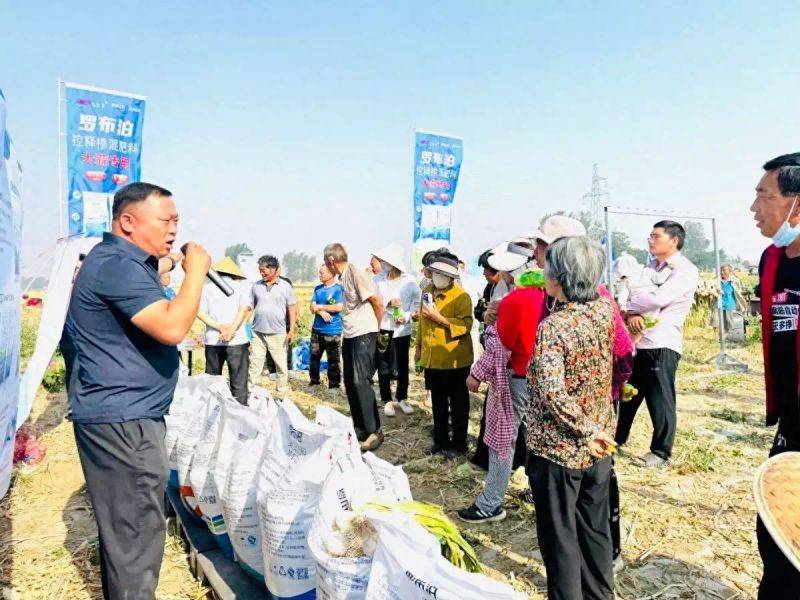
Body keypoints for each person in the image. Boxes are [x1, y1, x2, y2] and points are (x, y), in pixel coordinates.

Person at [64, 182, 211, 598]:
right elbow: (171, 326)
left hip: (123, 418)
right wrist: (196, 273)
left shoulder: (122, 262)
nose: (173, 230)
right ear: (127, 221)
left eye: (177, 221)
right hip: (125, 424)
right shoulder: (116, 264)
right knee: (135, 538)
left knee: (129, 537)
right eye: (165, 221)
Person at [526, 236, 618, 600]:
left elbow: (552, 392)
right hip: (598, 447)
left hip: (559, 450)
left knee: (560, 538)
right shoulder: (603, 311)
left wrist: (586, 429)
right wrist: (597, 430)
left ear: (558, 276)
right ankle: (600, 594)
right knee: (595, 530)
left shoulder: (555, 327)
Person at [458, 241, 545, 522]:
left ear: (509, 272)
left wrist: (477, 374)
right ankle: (539, 490)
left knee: (502, 441)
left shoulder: (514, 301)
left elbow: (499, 345)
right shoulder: (550, 297)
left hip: (515, 376)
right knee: (538, 437)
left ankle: (491, 502)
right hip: (544, 378)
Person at [750, 152, 800, 597]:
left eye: (764, 196)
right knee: (776, 529)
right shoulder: (771, 261)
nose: (754, 208)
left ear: (796, 205)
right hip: (792, 416)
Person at [614, 221, 699, 468]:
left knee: (660, 397)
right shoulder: (648, 267)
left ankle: (661, 452)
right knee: (627, 392)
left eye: (656, 236)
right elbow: (628, 294)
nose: (650, 240)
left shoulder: (684, 269)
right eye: (649, 236)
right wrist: (631, 313)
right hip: (638, 341)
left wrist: (630, 307)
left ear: (673, 241)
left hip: (662, 341)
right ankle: (617, 438)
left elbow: (659, 298)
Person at [324, 242, 385, 451]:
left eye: (325, 262)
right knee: (349, 381)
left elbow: (377, 302)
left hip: (364, 332)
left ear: (332, 261)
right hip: (350, 333)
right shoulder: (342, 277)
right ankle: (359, 427)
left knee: (361, 381)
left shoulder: (356, 272)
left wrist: (377, 331)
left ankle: (374, 431)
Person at [417, 255, 474, 456]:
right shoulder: (426, 293)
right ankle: (440, 440)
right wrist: (418, 347)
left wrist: (438, 318)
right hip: (433, 358)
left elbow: (465, 326)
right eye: (436, 273)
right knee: (438, 402)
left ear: (451, 277)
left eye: (443, 274)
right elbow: (423, 324)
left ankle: (458, 444)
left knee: (458, 404)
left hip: (454, 359)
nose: (438, 277)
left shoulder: (461, 297)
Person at [372, 243, 420, 417]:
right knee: (383, 363)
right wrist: (387, 304)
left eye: (386, 261)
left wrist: (407, 316)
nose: (383, 264)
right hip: (384, 328)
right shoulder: (377, 280)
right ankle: (386, 400)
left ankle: (402, 397)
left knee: (402, 364)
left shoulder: (410, 281)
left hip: (402, 331)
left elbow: (417, 303)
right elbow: (373, 301)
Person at [198, 257, 251, 404]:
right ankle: (240, 413)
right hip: (237, 340)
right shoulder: (241, 287)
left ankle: (213, 413)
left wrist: (219, 327)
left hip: (213, 340)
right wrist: (231, 330)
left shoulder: (206, 288)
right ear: (234, 274)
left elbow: (200, 313)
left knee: (213, 382)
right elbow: (243, 310)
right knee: (239, 382)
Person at [246, 255, 297, 394]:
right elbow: (249, 307)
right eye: (260, 270)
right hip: (257, 332)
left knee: (281, 365)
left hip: (278, 333)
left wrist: (291, 329)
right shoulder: (256, 286)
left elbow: (292, 308)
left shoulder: (285, 286)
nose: (262, 273)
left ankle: (281, 392)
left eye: (264, 270)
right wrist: (245, 328)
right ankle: (253, 391)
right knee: (255, 363)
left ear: (274, 269)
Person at [309, 264, 343, 394]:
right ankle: (314, 382)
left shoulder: (338, 289)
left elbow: (339, 307)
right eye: (319, 272)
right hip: (317, 329)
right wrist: (321, 312)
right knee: (314, 357)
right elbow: (312, 308)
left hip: (332, 331)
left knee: (333, 359)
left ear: (332, 274)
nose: (319, 275)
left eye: (322, 272)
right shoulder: (317, 289)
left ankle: (334, 385)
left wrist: (320, 307)